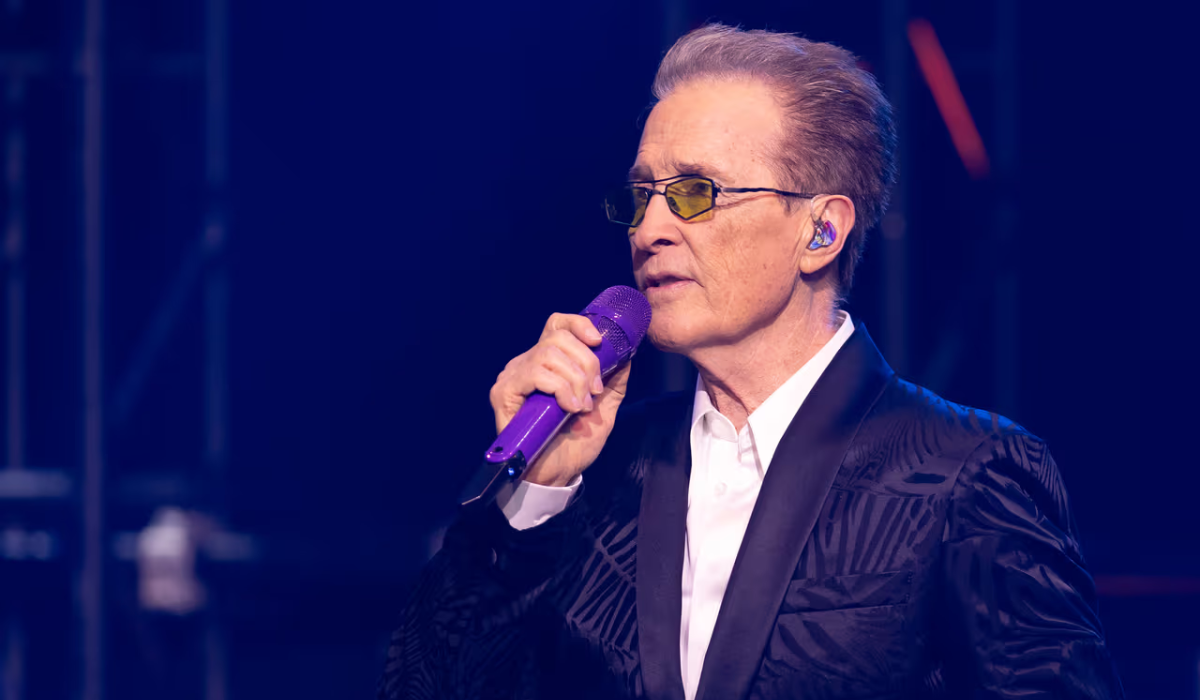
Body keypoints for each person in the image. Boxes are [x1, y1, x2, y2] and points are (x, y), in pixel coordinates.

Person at [379, 24, 1123, 700]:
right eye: (641, 195)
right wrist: (535, 495)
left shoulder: (965, 470)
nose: (650, 229)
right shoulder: (600, 467)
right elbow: (428, 685)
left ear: (821, 231)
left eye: (694, 193)